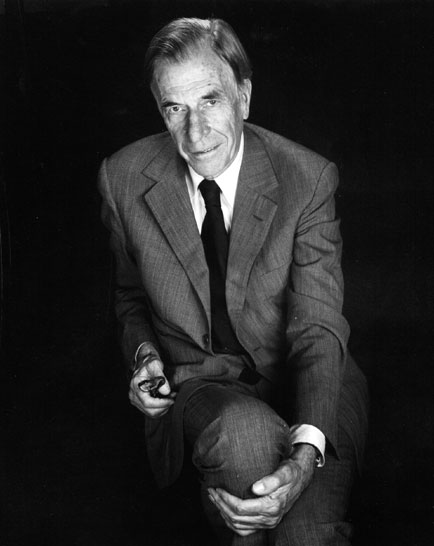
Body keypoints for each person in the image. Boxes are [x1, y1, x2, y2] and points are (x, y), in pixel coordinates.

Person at [98, 17, 368, 546]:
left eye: (210, 100)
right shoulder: (122, 177)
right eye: (175, 108)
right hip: (205, 384)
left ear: (243, 97)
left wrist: (305, 456)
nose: (195, 134)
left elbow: (317, 327)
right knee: (246, 444)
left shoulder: (307, 178)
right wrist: (144, 358)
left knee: (306, 536)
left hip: (312, 380)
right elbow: (130, 297)